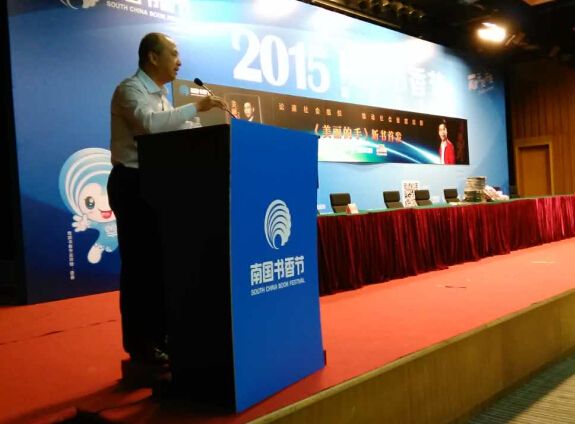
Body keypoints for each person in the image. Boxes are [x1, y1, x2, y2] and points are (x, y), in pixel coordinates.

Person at [107, 32, 227, 385]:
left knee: (162, 266)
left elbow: (178, 130)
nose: (180, 61)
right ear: (152, 57)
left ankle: (162, 338)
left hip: (161, 186)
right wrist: (195, 109)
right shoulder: (129, 90)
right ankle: (141, 346)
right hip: (132, 184)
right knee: (139, 267)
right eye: (174, 54)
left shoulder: (162, 97)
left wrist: (203, 128)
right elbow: (148, 125)